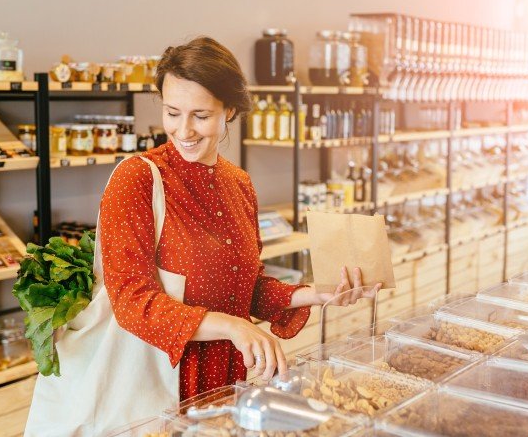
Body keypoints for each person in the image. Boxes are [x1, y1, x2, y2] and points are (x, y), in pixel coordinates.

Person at [25, 36, 379, 436]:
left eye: (201, 115)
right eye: (172, 113)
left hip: (226, 387)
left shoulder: (239, 184)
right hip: (159, 389)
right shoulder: (137, 178)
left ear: (229, 110)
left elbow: (245, 289)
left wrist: (316, 293)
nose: (184, 130)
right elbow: (131, 301)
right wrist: (233, 326)